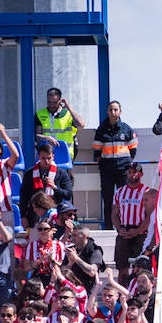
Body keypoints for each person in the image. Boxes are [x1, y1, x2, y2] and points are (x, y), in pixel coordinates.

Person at [92, 101, 138, 229]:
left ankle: (124, 226)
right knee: (108, 200)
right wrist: (103, 163)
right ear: (107, 111)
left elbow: (133, 149)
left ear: (120, 111)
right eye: (111, 110)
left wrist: (126, 164)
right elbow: (97, 150)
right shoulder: (101, 130)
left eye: (116, 110)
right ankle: (108, 227)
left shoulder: (126, 129)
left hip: (123, 170)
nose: (113, 112)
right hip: (107, 170)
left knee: (124, 199)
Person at [35, 87, 85, 162]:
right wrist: (47, 138)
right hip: (47, 155)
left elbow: (81, 125)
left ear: (60, 101)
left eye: (54, 102)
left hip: (65, 154)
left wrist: (69, 108)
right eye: (49, 102)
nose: (51, 105)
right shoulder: (40, 114)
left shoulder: (68, 114)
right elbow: (36, 135)